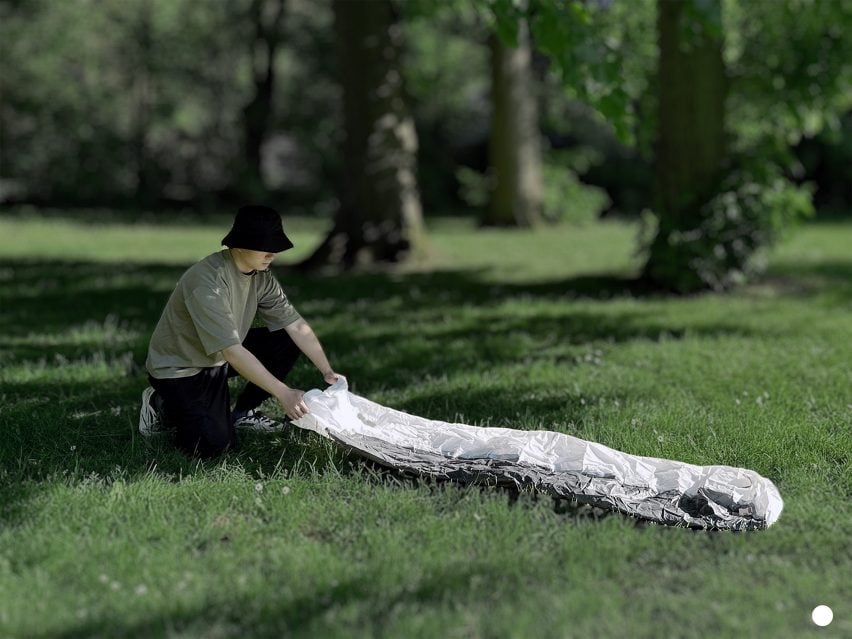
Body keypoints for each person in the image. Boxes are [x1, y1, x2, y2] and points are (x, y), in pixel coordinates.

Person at [138, 204, 341, 458]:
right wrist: (284, 393)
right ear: (240, 244)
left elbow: (295, 324)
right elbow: (233, 352)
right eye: (265, 246)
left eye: (275, 247)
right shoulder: (207, 282)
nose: (273, 254)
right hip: (181, 368)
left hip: (218, 357)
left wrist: (327, 371)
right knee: (215, 448)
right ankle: (162, 404)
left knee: (285, 339)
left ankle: (243, 412)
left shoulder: (260, 275)